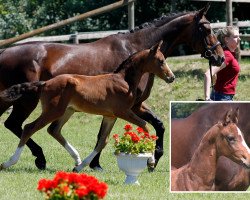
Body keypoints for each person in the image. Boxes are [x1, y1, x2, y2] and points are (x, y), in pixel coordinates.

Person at [204, 26, 241, 101]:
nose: (239, 39)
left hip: (222, 95)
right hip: (222, 97)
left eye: (239, 36)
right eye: (235, 37)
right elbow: (208, 74)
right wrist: (207, 98)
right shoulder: (227, 55)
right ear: (226, 39)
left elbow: (215, 73)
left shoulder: (228, 53)